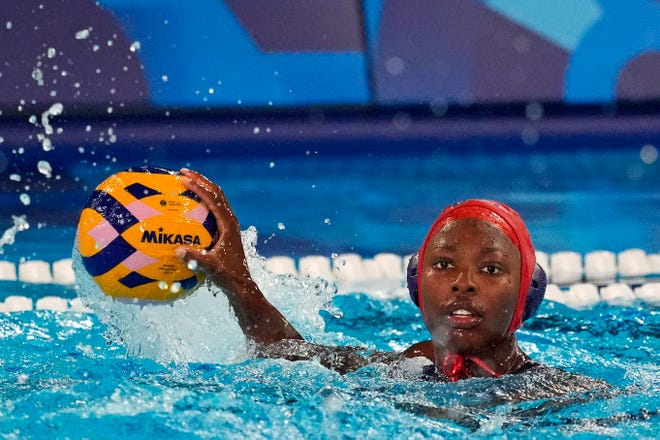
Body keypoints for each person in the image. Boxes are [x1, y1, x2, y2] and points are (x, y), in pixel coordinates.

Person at [175, 168, 608, 393]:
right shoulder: (407, 368)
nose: (463, 283)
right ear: (417, 285)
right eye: (443, 265)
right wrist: (238, 281)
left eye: (491, 269)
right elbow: (285, 353)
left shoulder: (555, 392)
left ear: (526, 296)